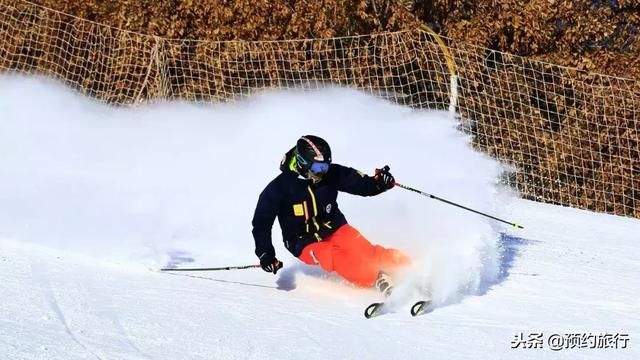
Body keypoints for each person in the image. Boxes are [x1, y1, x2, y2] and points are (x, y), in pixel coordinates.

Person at [251, 135, 410, 295]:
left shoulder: (330, 174)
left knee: (368, 252)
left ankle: (411, 268)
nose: (322, 173)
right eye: (317, 168)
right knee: (333, 255)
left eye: (325, 167)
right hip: (302, 242)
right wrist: (266, 254)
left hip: (335, 227)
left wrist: (379, 183)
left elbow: (360, 185)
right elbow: (261, 225)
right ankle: (376, 279)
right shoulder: (279, 188)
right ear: (302, 163)